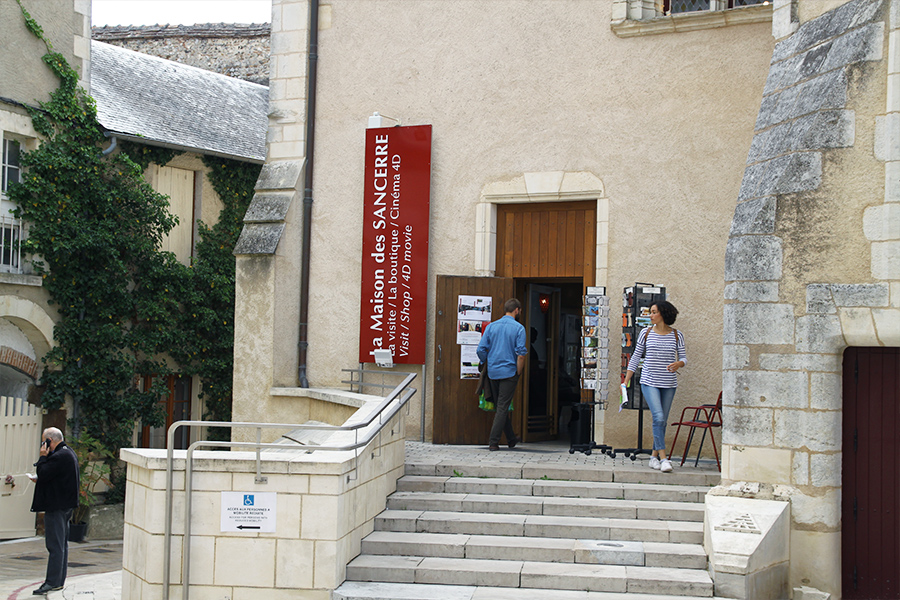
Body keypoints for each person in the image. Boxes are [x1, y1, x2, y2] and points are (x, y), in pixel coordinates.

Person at [624, 301, 686, 473]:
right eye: (650, 312)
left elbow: (684, 358)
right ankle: (664, 459)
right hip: (649, 381)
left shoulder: (676, 335)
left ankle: (653, 457)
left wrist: (679, 364)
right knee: (658, 417)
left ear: (663, 314)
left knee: (662, 421)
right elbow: (636, 357)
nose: (650, 315)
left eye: (653, 312)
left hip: (669, 383)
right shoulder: (646, 333)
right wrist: (626, 380)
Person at [30, 427, 79, 595]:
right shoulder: (67, 452)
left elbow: (43, 473)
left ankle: (52, 582)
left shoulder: (59, 456)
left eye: (45, 441)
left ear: (50, 440)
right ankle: (58, 581)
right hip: (65, 505)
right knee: (61, 545)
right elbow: (53, 476)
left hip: (57, 507)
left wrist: (43, 456)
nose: (43, 444)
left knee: (55, 546)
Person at [476, 298, 527, 451]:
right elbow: (521, 354)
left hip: (493, 372)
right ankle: (493, 442)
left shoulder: (492, 327)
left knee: (500, 406)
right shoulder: (519, 328)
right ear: (516, 310)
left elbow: (480, 349)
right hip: (510, 371)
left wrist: (487, 361)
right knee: (503, 407)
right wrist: (518, 372)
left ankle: (511, 438)